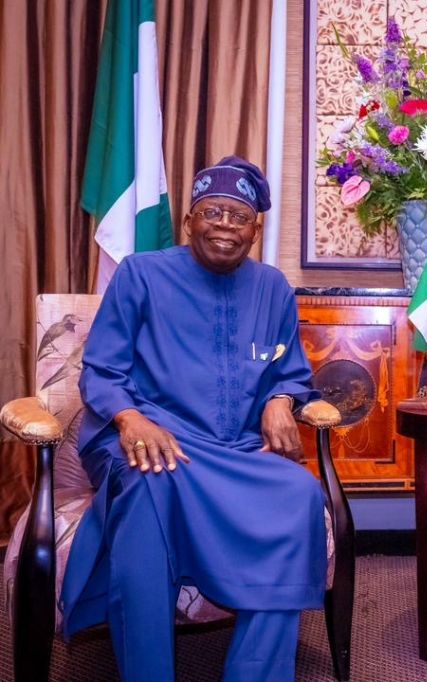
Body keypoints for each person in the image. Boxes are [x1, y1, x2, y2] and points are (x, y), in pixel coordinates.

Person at [61, 156, 327, 681]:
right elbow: (100, 371)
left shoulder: (273, 288)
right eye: (214, 212)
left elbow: (290, 370)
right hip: (146, 436)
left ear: (255, 229)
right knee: (150, 480)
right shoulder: (142, 273)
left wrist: (282, 400)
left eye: (239, 217)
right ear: (189, 221)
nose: (225, 226)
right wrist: (129, 418)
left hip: (230, 449)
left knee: (298, 494)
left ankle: (255, 674)